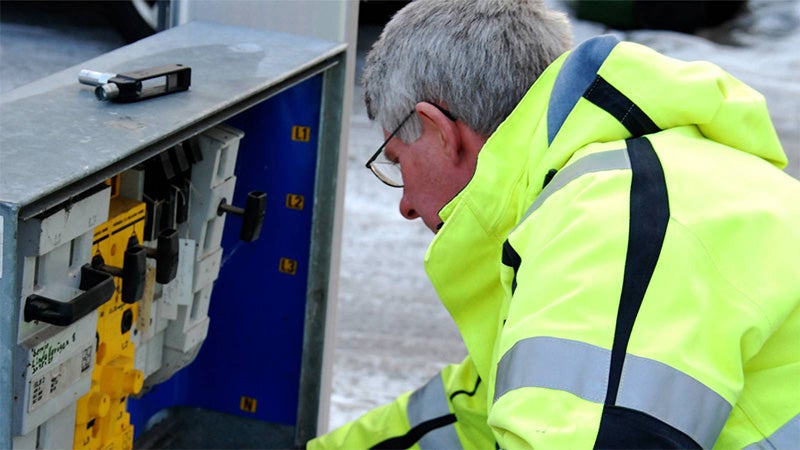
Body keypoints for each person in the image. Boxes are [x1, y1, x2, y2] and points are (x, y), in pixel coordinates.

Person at [309, 0, 800, 448]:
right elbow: (474, 416)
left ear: (439, 131)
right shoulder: (642, 181)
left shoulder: (612, 219)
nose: (407, 206)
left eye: (396, 161)